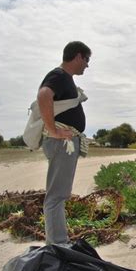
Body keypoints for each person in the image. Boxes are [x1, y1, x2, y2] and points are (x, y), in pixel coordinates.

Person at [37, 41, 91, 244]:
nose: (87, 65)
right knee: (56, 196)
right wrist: (54, 131)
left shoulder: (65, 78)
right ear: (78, 56)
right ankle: (58, 245)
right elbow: (44, 95)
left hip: (65, 143)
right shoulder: (59, 75)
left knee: (60, 194)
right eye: (87, 60)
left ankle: (59, 242)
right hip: (62, 143)